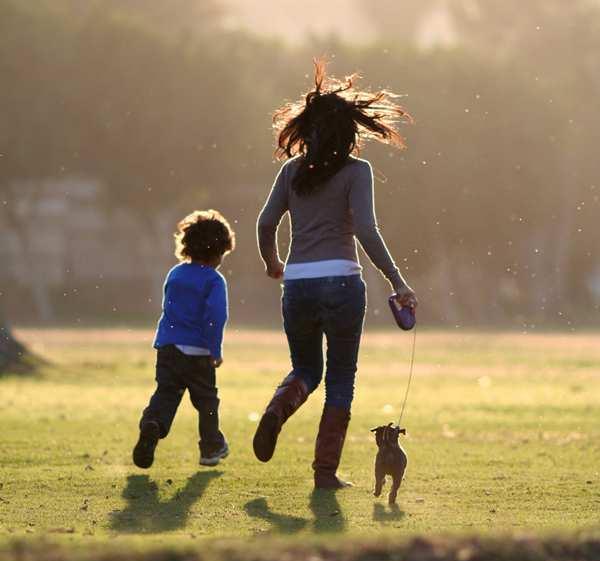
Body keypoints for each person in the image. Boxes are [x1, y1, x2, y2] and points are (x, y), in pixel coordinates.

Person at [253, 59, 418, 489]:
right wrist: (397, 281)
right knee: (341, 378)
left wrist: (273, 264)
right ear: (348, 132)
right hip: (343, 283)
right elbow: (365, 229)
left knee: (306, 368)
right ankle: (325, 473)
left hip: (299, 283)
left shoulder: (290, 172)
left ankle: (275, 412)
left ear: (307, 130)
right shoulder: (356, 172)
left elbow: (265, 223)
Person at [132, 209, 235, 469]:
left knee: (166, 393)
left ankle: (152, 424)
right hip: (198, 352)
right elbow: (215, 317)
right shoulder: (214, 280)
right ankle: (211, 447)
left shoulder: (175, 274)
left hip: (168, 348)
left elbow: (170, 308)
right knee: (207, 402)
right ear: (219, 251)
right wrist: (215, 349)